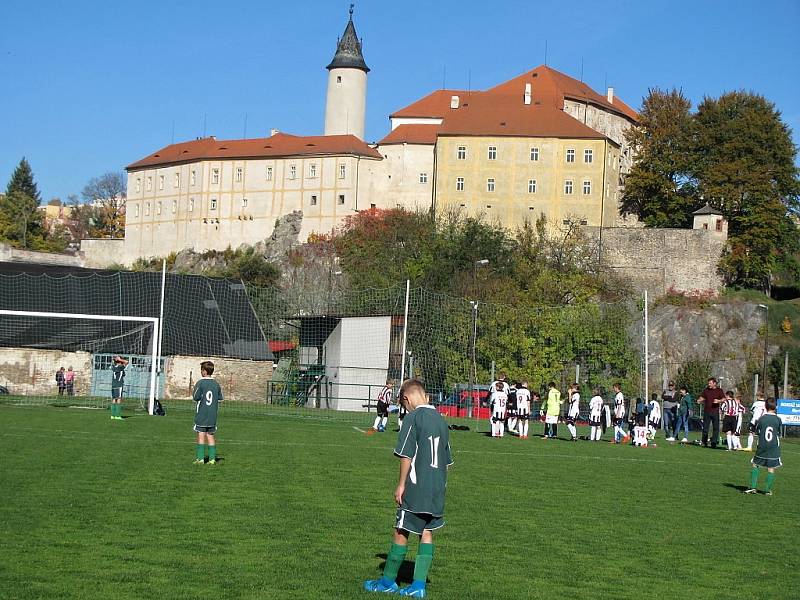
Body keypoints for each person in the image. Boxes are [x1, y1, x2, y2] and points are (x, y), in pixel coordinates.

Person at [364, 379, 453, 597]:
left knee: (401, 529)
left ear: (406, 399)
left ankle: (387, 582)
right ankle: (419, 586)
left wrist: (401, 484)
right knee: (426, 531)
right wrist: (441, 485)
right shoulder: (442, 422)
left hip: (416, 485)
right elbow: (447, 461)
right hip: (437, 487)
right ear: (427, 396)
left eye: (404, 406)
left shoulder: (413, 418)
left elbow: (406, 455)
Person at [744, 397, 782, 495]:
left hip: (762, 445)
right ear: (776, 407)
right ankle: (767, 490)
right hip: (773, 446)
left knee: (755, 464)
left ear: (765, 406)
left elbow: (758, 431)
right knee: (771, 467)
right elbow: (778, 433)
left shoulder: (761, 419)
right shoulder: (778, 419)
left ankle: (753, 487)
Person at [193, 360, 224, 465]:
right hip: (212, 416)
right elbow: (220, 398)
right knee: (210, 436)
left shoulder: (200, 383)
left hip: (202, 414)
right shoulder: (216, 384)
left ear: (204, 371)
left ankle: (200, 459)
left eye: (201, 370)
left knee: (201, 435)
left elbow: (195, 397)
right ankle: (212, 459)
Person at [698, 377, 724, 448]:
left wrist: (718, 401)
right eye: (708, 383)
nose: (709, 384)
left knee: (716, 428)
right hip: (707, 411)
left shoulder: (719, 390)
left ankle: (714, 443)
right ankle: (704, 442)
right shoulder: (706, 390)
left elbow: (723, 399)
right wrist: (699, 400)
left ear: (714, 383)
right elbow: (703, 397)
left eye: (710, 383)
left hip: (715, 412)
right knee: (705, 428)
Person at [110, 355, 129, 421]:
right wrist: (120, 359)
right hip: (119, 385)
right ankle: (117, 416)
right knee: (118, 399)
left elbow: (114, 362)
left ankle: (113, 415)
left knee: (113, 399)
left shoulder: (113, 366)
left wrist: (116, 359)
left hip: (113, 385)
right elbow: (127, 362)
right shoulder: (120, 367)